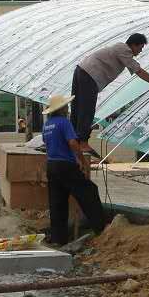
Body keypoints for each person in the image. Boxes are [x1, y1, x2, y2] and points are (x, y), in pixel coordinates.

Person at [71, 33, 149, 151]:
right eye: (140, 47)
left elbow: (136, 69)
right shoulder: (123, 49)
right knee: (87, 109)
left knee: (77, 107)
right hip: (90, 75)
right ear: (133, 45)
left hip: (81, 70)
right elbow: (138, 70)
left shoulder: (120, 50)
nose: (140, 51)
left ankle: (73, 139)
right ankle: (83, 142)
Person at [41, 94, 107, 246]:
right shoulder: (64, 122)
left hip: (51, 165)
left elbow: (46, 142)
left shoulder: (47, 125)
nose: (68, 108)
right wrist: (82, 160)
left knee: (57, 203)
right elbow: (72, 142)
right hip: (66, 165)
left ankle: (59, 239)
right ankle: (100, 228)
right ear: (62, 108)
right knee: (89, 191)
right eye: (66, 106)